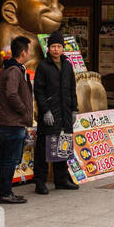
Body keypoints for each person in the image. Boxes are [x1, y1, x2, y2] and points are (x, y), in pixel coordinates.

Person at [32, 35, 79, 194]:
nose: (56, 49)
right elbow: (38, 90)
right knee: (44, 148)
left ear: (63, 48)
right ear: (48, 48)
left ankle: (61, 179)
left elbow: (72, 88)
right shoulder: (43, 66)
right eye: (53, 47)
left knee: (63, 145)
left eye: (59, 46)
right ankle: (40, 181)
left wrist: (74, 109)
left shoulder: (67, 65)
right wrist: (45, 110)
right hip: (50, 113)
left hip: (65, 113)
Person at [0, 35, 34, 204]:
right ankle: (5, 193)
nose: (30, 53)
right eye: (29, 50)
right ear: (23, 52)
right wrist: (23, 110)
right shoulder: (15, 71)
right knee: (10, 159)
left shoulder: (8, 69)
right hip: (13, 122)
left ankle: (2, 191)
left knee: (5, 159)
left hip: (8, 121)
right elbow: (11, 94)